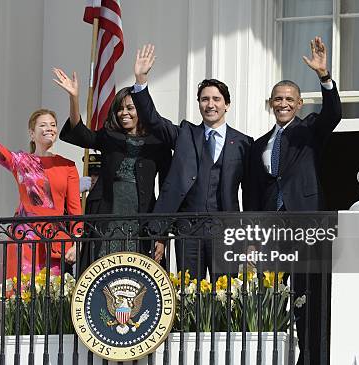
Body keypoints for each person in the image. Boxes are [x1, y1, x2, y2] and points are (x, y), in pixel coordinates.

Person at [246, 36, 342, 365]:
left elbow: (334, 113)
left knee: (309, 299)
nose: (283, 103)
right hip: (272, 232)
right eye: (278, 99)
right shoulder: (258, 145)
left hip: (306, 228)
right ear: (270, 103)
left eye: (289, 99)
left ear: (299, 104)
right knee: (269, 300)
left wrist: (324, 77)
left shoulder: (310, 131)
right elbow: (254, 195)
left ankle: (313, 359)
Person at [130, 44, 253, 279]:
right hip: (188, 228)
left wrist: (249, 237)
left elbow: (249, 192)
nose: (210, 104)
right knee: (189, 292)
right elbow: (153, 121)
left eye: (216, 99)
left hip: (225, 230)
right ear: (199, 104)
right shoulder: (186, 134)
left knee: (225, 294)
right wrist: (141, 80)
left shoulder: (244, 143)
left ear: (226, 104)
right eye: (205, 99)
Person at [52, 68, 171, 270]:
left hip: (141, 220)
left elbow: (168, 192)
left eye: (130, 108)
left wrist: (162, 236)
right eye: (120, 108)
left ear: (141, 110)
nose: (124, 113)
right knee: (102, 271)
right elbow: (80, 133)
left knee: (139, 275)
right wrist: (74, 99)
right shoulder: (109, 136)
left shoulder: (158, 143)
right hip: (106, 215)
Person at [0, 85, 80, 280]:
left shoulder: (67, 166)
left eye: (53, 124)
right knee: (22, 297)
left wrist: (76, 242)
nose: (50, 128)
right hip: (25, 238)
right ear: (32, 134)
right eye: (43, 125)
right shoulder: (21, 161)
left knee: (54, 299)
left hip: (56, 242)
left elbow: (74, 209)